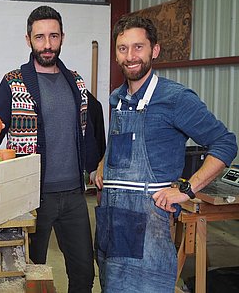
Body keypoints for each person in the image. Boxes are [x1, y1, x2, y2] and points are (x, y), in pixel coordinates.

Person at [94, 15, 237, 293]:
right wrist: (104, 164)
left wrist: (187, 189)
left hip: (148, 228)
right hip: (111, 225)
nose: (130, 56)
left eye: (138, 47)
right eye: (123, 48)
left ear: (154, 50)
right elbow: (120, 143)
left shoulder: (176, 98)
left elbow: (225, 143)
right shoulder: (117, 98)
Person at [0, 5, 99, 293]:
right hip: (30, 198)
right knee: (28, 274)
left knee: (83, 273)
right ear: (28, 39)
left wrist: (94, 168)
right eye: (40, 37)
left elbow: (87, 132)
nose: (47, 44)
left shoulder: (76, 82)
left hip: (74, 196)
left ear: (62, 38)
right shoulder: (13, 82)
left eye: (53, 36)